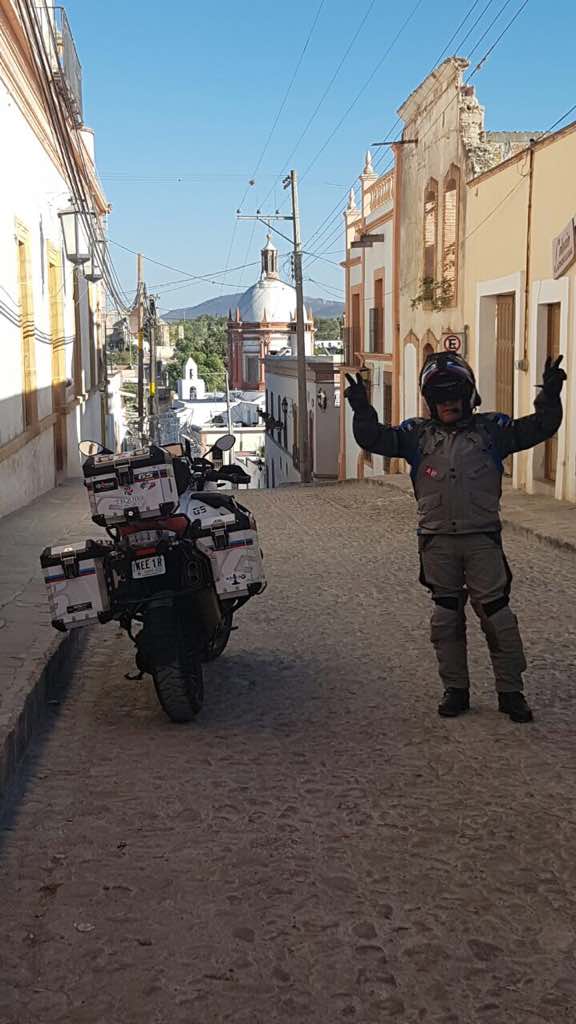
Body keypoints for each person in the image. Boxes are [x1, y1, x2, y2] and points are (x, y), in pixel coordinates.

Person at [345, 352, 566, 723]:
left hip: (481, 539)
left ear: (469, 397)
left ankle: (511, 692)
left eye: (455, 396)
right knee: (446, 618)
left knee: (498, 617)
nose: (448, 404)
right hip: (437, 542)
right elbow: (373, 438)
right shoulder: (416, 435)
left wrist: (550, 393)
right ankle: (456, 690)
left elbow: (541, 426)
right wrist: (362, 408)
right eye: (441, 397)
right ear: (430, 402)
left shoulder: (492, 430)